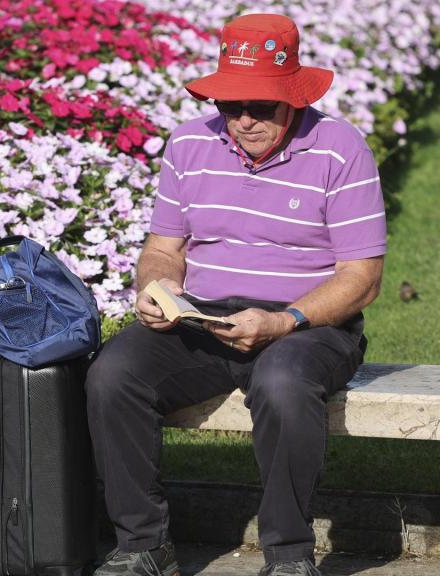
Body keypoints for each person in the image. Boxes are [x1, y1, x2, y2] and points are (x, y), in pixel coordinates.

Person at [87, 14, 385, 576]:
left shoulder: (340, 148)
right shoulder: (189, 143)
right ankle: (143, 544)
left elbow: (361, 277)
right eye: (230, 106)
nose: (243, 121)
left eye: (260, 107)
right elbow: (163, 247)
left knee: (282, 382)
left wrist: (284, 321)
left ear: (292, 98)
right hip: (204, 318)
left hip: (310, 323)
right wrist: (156, 286)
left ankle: (289, 555)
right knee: (112, 374)